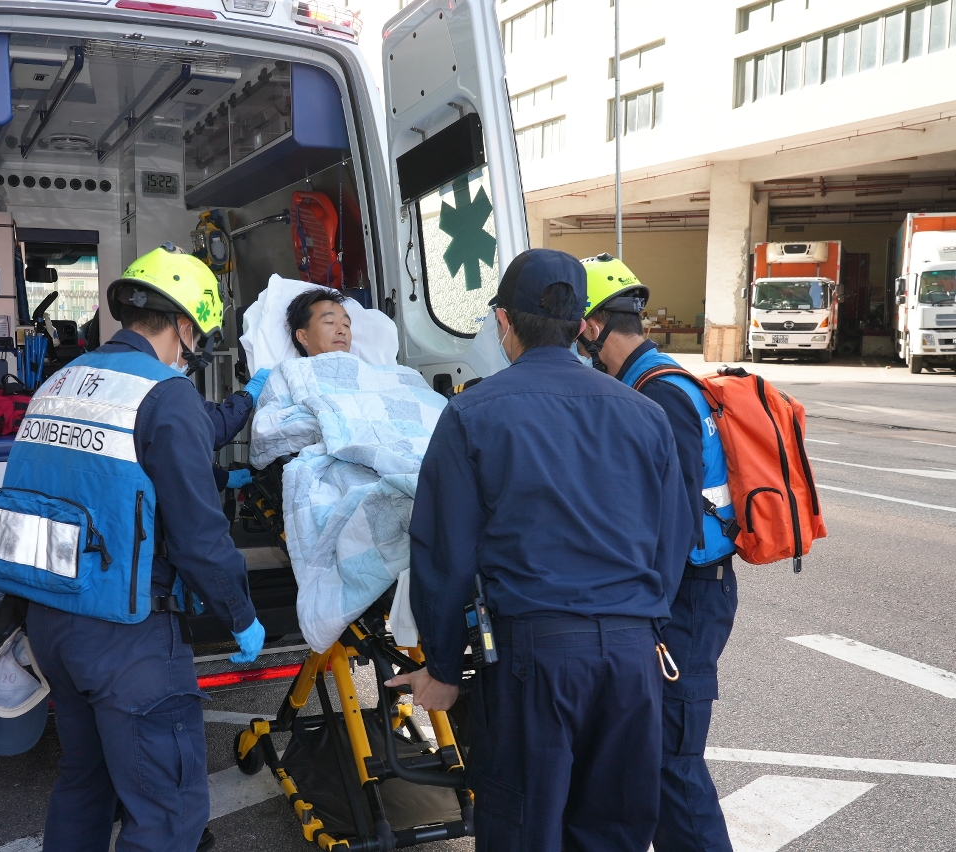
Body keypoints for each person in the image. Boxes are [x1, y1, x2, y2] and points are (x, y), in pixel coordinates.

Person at [388, 248, 692, 852]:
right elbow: (673, 540)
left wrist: (443, 666)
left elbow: (444, 554)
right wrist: (642, 624)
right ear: (582, 326)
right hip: (632, 660)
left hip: (537, 659)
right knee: (613, 832)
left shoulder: (472, 413)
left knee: (524, 827)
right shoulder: (644, 413)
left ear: (504, 322)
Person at [0, 246, 264, 852]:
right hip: (127, 636)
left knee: (85, 783)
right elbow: (199, 537)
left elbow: (105, 476)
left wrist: (244, 405)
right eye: (198, 342)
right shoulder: (166, 393)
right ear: (184, 326)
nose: (192, 357)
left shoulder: (63, 380)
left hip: (51, 624)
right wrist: (240, 614)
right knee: (167, 809)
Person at [578, 253, 739, 852]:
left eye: (576, 330)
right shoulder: (648, 381)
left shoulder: (660, 393)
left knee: (673, 761)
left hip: (684, 598)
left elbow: (674, 518)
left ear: (592, 326)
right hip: (682, 590)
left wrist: (648, 616)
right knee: (654, 759)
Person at [287, 287, 352, 356]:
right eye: (330, 322)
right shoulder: (290, 364)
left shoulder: (360, 362)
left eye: (346, 325)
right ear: (303, 336)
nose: (342, 331)